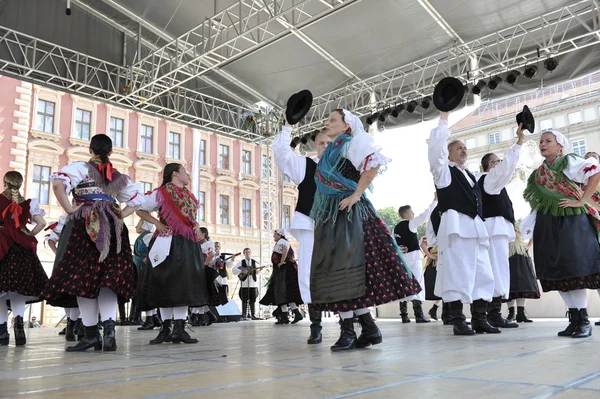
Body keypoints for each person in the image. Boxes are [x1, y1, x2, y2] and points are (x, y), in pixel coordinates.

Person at [309, 109, 421, 351]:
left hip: (347, 216)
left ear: (347, 125)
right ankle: (368, 328)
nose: (326, 122)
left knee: (344, 269)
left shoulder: (351, 143)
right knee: (341, 272)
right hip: (333, 215)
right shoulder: (333, 148)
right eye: (327, 119)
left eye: (332, 120)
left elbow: (373, 164)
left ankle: (349, 331)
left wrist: (356, 194)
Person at [41, 134, 141, 352]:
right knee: (108, 278)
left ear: (90, 150)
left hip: (85, 224)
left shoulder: (80, 168)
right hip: (114, 229)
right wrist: (119, 215)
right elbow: (137, 201)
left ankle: (91, 335)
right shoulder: (118, 176)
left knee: (82, 277)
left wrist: (69, 208)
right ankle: (110, 332)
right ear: (111, 152)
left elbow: (58, 184)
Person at [522, 130, 600, 338]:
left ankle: (583, 320)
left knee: (573, 269)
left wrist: (582, 200)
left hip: (572, 220)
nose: (543, 144)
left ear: (560, 146)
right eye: (541, 141)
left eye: (548, 141)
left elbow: (596, 172)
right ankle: (574, 318)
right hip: (548, 223)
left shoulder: (569, 161)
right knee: (556, 271)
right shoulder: (538, 174)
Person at [428, 111, 498, 336]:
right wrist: (444, 119)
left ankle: (480, 318)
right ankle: (458, 320)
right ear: (448, 153)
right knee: (457, 274)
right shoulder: (443, 172)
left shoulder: (470, 175)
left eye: (465, 148)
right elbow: (435, 152)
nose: (464, 150)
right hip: (457, 229)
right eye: (459, 147)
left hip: (476, 230)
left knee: (483, 273)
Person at [273, 122, 332, 343]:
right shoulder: (305, 165)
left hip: (337, 227)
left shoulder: (344, 167)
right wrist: (287, 128)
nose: (325, 146)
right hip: (310, 224)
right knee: (307, 272)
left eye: (329, 143)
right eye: (321, 143)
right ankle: (315, 324)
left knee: (340, 271)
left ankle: (349, 322)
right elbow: (281, 154)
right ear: (315, 146)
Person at [136, 163, 208, 345]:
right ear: (175, 174)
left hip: (187, 242)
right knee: (165, 282)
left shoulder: (189, 196)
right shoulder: (161, 193)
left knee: (184, 283)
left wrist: (197, 226)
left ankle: (179, 328)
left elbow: (190, 219)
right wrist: (157, 224)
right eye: (184, 171)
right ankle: (166, 328)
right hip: (167, 241)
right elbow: (140, 209)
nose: (188, 174)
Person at [476, 124, 525, 329]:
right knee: (498, 270)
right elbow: (507, 169)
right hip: (493, 230)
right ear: (490, 165)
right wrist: (519, 143)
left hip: (495, 229)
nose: (500, 164)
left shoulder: (491, 183)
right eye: (497, 161)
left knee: (497, 269)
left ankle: (492, 313)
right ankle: (493, 314)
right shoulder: (489, 179)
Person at [0, 171, 49, 346]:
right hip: (22, 251)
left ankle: (2, 333)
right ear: (20, 184)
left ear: (5, 183)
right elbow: (42, 223)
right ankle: (19, 330)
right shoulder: (28, 204)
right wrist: (28, 233)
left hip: (3, 250)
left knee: (1, 293)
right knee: (19, 291)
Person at [394, 198, 437, 323]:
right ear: (407, 214)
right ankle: (419, 314)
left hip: (402, 260)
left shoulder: (395, 228)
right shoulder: (410, 224)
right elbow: (425, 214)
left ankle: (404, 315)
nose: (413, 214)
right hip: (413, 258)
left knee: (403, 285)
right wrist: (434, 201)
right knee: (418, 283)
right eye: (412, 212)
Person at [44, 215, 84, 341]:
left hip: (80, 261)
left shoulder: (88, 216)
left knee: (78, 293)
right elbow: (51, 239)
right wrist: (58, 253)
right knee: (69, 294)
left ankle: (77, 324)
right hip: (68, 262)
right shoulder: (66, 220)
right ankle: (73, 324)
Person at [259, 229, 303, 324]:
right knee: (282, 294)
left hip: (284, 270)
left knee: (282, 292)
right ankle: (287, 316)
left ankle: (288, 316)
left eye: (275, 235)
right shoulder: (280, 242)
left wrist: (282, 261)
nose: (274, 236)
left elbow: (285, 250)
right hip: (280, 270)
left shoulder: (282, 242)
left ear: (279, 235)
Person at [505, 223, 539, 322]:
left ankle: (520, 313)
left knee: (523, 284)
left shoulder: (522, 221)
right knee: (509, 284)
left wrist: (529, 245)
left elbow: (532, 231)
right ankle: (511, 313)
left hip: (521, 252)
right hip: (508, 253)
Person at [133, 219, 162, 331]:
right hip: (141, 267)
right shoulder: (145, 236)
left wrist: (149, 257)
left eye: (139, 224)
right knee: (144, 292)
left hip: (145, 269)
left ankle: (150, 320)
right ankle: (154, 318)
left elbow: (157, 248)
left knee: (145, 292)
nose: (136, 226)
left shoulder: (148, 235)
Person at [232, 248, 266, 320]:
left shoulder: (254, 262)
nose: (247, 253)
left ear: (250, 253)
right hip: (244, 284)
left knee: (253, 300)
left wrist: (260, 270)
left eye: (249, 252)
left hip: (253, 284)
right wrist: (242, 271)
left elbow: (258, 272)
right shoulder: (241, 262)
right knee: (244, 299)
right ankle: (244, 314)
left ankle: (253, 314)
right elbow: (234, 270)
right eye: (246, 252)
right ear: (244, 254)